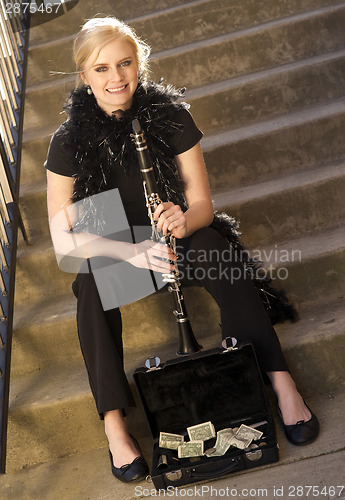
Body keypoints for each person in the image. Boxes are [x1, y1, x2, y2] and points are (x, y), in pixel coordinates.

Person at [45, 16, 319, 483]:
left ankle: (280, 381)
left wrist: (182, 219)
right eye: (102, 68)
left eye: (125, 63)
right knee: (88, 284)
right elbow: (63, 241)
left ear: (139, 63)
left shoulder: (169, 115)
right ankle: (115, 424)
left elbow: (204, 207)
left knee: (215, 247)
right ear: (83, 75)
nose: (116, 78)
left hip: (176, 234)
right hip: (117, 245)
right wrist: (130, 254)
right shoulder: (67, 142)